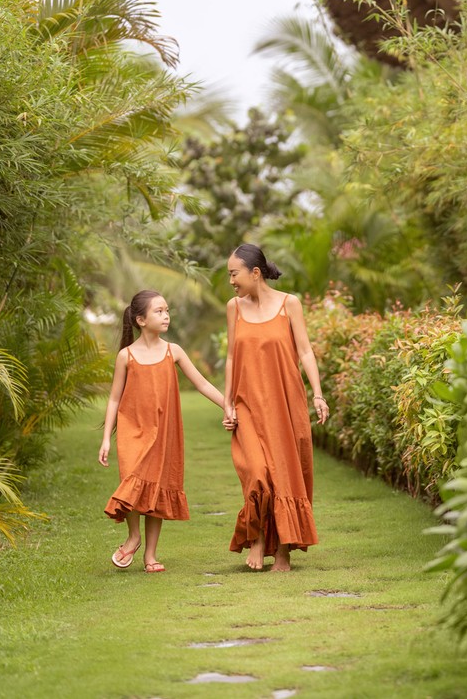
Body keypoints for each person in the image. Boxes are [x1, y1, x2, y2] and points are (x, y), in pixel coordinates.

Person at [99, 289, 232, 572]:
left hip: (163, 433)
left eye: (167, 310)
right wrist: (105, 440)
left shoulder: (174, 351)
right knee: (133, 482)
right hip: (131, 431)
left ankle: (150, 555)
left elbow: (203, 384)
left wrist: (227, 405)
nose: (166, 315)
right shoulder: (126, 356)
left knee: (155, 491)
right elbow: (113, 398)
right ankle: (133, 536)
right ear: (141, 319)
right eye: (159, 311)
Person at [224, 244, 329, 571]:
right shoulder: (234, 308)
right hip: (248, 404)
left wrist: (318, 394)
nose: (231, 281)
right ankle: (257, 540)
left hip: (285, 403)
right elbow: (230, 357)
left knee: (284, 475)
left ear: (255, 273)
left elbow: (305, 351)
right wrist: (227, 404)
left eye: (234, 273)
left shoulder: (289, 304)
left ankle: (282, 552)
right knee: (256, 472)